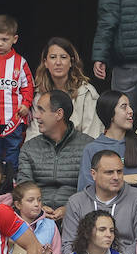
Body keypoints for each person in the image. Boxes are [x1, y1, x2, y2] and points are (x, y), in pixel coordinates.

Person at [21, 90, 94, 220]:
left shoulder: (88, 146)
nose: (36, 116)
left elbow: (93, 189)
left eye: (41, 110)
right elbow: (24, 186)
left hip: (78, 216)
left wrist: (71, 208)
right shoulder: (29, 148)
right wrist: (39, 207)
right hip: (36, 216)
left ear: (59, 114)